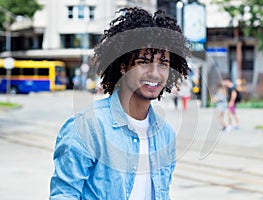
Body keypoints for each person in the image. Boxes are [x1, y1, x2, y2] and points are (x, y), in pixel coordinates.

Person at [49, 7, 190, 200]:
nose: (155, 73)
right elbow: (63, 195)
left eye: (163, 64)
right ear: (123, 65)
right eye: (143, 62)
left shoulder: (166, 134)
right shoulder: (87, 126)